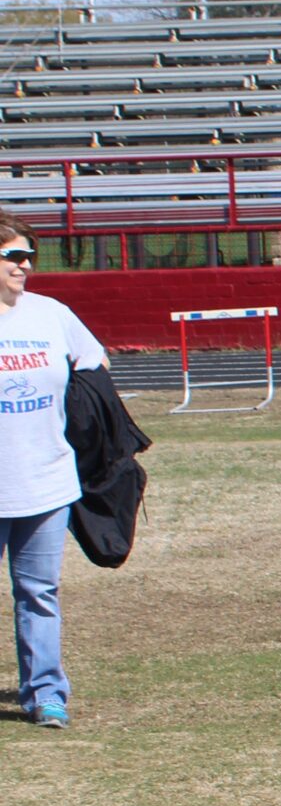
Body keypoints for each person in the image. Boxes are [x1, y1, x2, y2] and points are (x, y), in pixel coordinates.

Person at [0, 213, 108, 731]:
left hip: (45, 482)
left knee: (39, 593)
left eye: (28, 256)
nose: (25, 265)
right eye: (14, 256)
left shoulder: (50, 314)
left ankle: (46, 693)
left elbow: (93, 366)